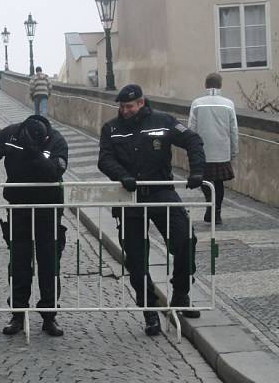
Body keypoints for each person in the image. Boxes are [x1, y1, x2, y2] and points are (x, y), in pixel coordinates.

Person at [98, 84, 206, 336]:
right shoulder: (111, 129)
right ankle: (150, 311)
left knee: (185, 241)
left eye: (130, 106)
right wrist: (122, 176)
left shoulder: (163, 121)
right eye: (122, 107)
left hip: (161, 192)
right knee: (136, 259)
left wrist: (198, 170)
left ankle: (181, 294)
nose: (125, 111)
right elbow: (104, 159)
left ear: (141, 103)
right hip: (129, 196)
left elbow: (192, 140)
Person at [0, 115, 69, 337]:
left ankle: (49, 315)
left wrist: (34, 152)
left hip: (48, 209)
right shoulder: (12, 134)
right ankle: (17, 313)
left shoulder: (57, 141)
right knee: (19, 263)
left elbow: (54, 171)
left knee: (49, 263)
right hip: (19, 207)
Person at [189, 73, 238, 225]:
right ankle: (216, 212)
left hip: (203, 150)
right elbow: (233, 130)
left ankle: (209, 206)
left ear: (206, 84)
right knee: (218, 183)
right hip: (222, 149)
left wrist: (192, 150)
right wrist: (234, 150)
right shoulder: (228, 103)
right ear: (220, 85)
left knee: (205, 180)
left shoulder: (197, 103)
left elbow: (191, 129)